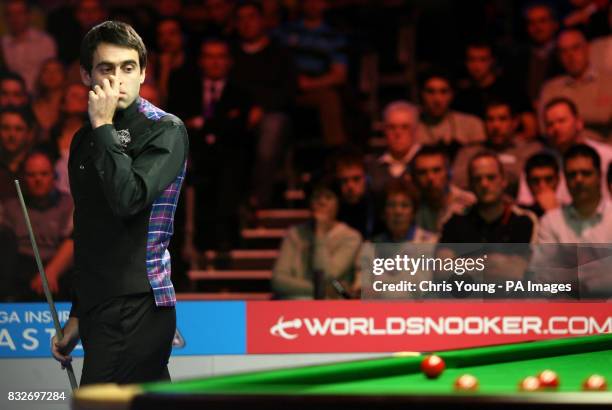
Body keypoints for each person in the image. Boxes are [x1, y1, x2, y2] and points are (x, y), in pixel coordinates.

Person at [51, 21, 189, 386]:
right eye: (106, 69)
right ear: (85, 75)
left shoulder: (166, 130)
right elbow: (90, 231)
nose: (118, 79)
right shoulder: (85, 140)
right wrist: (79, 316)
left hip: (140, 303)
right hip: (100, 307)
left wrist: (103, 128)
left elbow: (129, 199)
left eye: (128, 68)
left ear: (143, 72)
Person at [232, 0, 297, 208]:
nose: (246, 23)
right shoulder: (230, 55)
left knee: (271, 130)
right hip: (236, 114)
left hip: (272, 114)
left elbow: (288, 91)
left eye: (251, 17)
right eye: (241, 19)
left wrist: (262, 109)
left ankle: (259, 202)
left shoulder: (280, 53)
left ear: (262, 21)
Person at [437, 152, 538, 283]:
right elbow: (442, 271)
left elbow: (519, 271)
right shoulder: (455, 221)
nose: (484, 184)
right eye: (477, 179)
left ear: (503, 181)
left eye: (491, 178)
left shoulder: (524, 220)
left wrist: (463, 264)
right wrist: (494, 262)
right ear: (470, 184)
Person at [534, 144, 612, 297]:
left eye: (586, 173)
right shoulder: (551, 221)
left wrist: (568, 273)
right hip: (564, 310)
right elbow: (541, 277)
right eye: (572, 174)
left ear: (599, 176)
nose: (579, 179)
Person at [272, 175, 362, 299]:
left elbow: (327, 275)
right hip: (294, 302)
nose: (322, 202)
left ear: (338, 203)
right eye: (316, 197)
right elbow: (278, 281)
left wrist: (319, 232)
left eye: (328, 197)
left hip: (330, 308)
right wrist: (319, 288)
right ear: (309, 202)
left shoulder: (351, 237)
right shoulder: (294, 234)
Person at [1, 151, 74, 301]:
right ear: (23, 178)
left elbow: (74, 241)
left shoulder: (68, 205)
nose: (38, 179)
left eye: (44, 174)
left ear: (54, 176)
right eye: (31, 175)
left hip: (59, 271)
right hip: (19, 273)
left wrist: (51, 271)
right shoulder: (10, 207)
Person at [275, 0, 348, 146]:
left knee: (330, 98)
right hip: (283, 87)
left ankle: (337, 152)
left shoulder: (333, 36)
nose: (312, 4)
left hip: (315, 88)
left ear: (326, 4)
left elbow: (339, 75)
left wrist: (310, 84)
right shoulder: (285, 31)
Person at [517, 97, 612, 206]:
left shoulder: (608, 156)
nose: (556, 128)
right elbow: (524, 203)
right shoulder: (538, 163)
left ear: (579, 122)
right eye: (550, 124)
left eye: (561, 121)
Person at [452, 99, 543, 198]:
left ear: (515, 122)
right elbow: (457, 183)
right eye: (490, 119)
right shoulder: (468, 153)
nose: (496, 126)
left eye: (502, 119)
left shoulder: (530, 150)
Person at [538, 29, 612, 140]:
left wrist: (567, 121)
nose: (570, 55)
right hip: (564, 151)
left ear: (588, 48)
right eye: (564, 51)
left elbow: (606, 117)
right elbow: (544, 127)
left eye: (575, 48)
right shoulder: (551, 88)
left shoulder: (608, 82)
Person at [454, 41, 535, 141]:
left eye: (482, 60)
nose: (476, 65)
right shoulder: (462, 96)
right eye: (472, 60)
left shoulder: (511, 89)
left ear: (492, 61)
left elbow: (531, 129)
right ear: (466, 62)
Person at [415, 69, 486, 157]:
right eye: (430, 92)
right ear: (421, 94)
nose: (437, 99)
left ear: (452, 94)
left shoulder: (471, 125)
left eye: (443, 92)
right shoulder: (410, 127)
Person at [412, 145, 475, 234]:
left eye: (436, 170)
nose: (430, 177)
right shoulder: (412, 207)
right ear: (414, 177)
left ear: (448, 172)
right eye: (422, 172)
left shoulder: (468, 203)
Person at [1, 0, 57, 92]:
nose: (15, 18)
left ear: (29, 15)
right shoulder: (3, 43)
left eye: (19, 13)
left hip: (40, 95)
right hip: (14, 96)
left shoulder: (44, 41)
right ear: (5, 18)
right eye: (10, 14)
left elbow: (52, 73)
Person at [368, 101, 421, 195]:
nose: (397, 133)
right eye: (391, 127)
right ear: (384, 130)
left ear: (415, 130)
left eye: (405, 127)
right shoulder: (372, 166)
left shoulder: (426, 166)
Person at [334, 147, 383, 240]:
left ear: (366, 179)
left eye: (356, 179)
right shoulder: (334, 208)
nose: (350, 186)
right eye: (344, 181)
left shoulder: (378, 205)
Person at [0, 106, 35, 201]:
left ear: (29, 133)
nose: (11, 135)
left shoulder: (38, 167)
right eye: (5, 128)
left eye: (18, 129)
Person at [523, 152, 561, 217]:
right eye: (535, 180)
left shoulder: (570, 213)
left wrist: (553, 211)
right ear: (527, 182)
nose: (542, 186)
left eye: (548, 179)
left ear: (558, 180)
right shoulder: (521, 216)